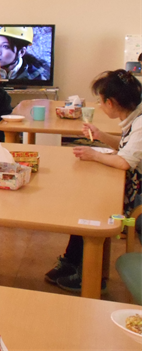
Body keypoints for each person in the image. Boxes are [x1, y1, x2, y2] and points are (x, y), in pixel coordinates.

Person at [45, 70, 142, 293]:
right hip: (129, 184)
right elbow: (127, 148)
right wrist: (100, 136)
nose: (99, 106)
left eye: (100, 101)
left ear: (111, 102)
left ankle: (89, 274)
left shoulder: (140, 123)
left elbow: (125, 162)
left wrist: (94, 154)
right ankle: (73, 261)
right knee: (86, 200)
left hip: (136, 195)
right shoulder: (134, 117)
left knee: (91, 207)